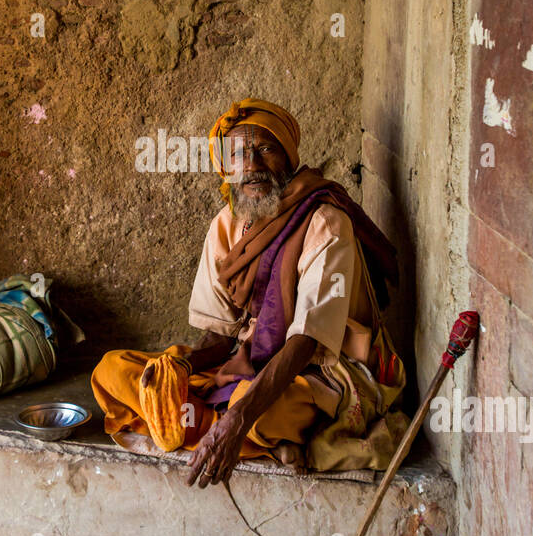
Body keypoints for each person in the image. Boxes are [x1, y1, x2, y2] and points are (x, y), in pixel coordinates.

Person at [91, 98, 407, 489]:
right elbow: (221, 334)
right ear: (228, 168)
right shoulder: (226, 224)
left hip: (319, 367)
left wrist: (240, 416)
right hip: (245, 360)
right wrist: (184, 367)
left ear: (288, 158)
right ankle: (234, 432)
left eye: (266, 150)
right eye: (239, 154)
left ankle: (226, 427)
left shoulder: (326, 222)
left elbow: (307, 340)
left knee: (269, 413)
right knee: (112, 370)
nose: (253, 165)